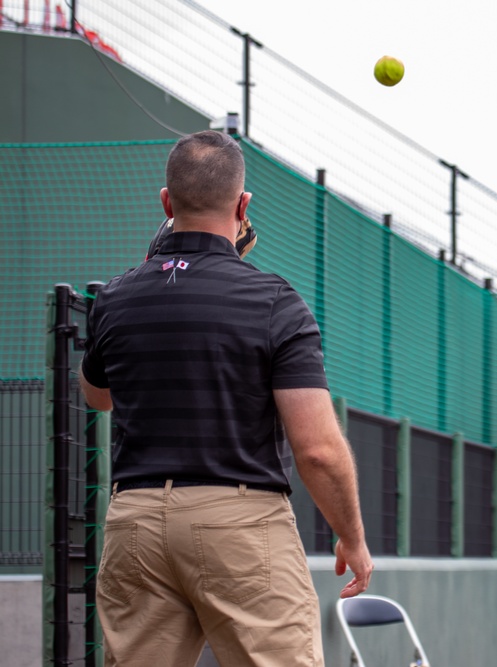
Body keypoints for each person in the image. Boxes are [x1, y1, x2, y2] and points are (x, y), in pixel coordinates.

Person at [80, 130, 373, 666]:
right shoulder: (274, 302)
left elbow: (98, 396)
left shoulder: (115, 297)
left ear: (166, 202)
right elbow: (317, 450)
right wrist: (351, 537)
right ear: (243, 205)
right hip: (239, 525)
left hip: (135, 522)